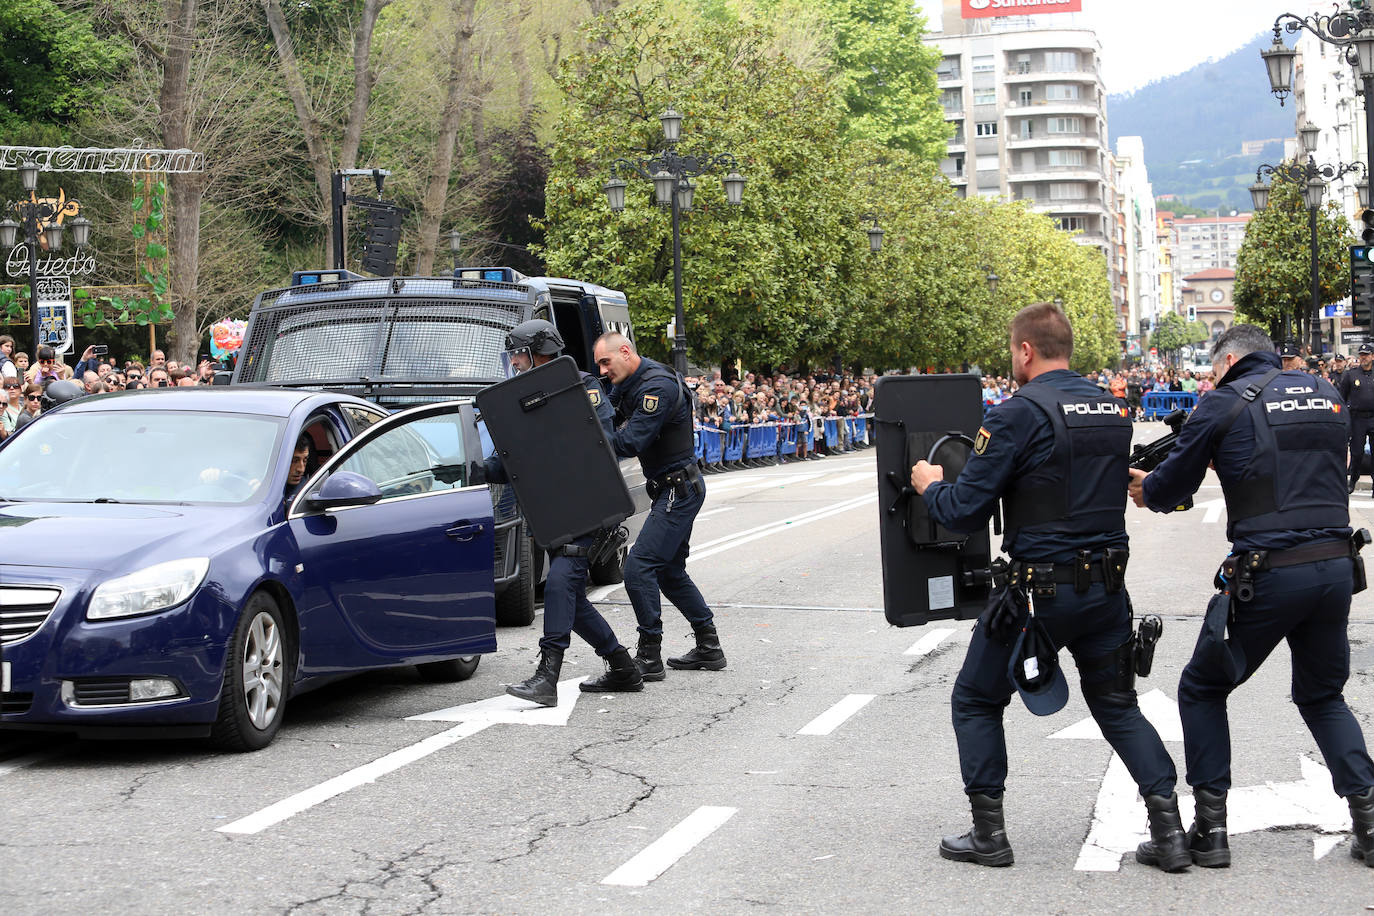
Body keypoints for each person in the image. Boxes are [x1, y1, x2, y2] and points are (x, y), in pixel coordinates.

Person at [910, 302, 1185, 872]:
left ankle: (989, 834)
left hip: (1039, 595)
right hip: (1107, 590)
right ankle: (1170, 831)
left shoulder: (1015, 414)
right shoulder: (1112, 408)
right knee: (1116, 705)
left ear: (1026, 350)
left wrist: (930, 485)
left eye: (1012, 350)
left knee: (976, 699)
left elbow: (964, 510)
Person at [1130, 323, 1374, 869]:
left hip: (1269, 573)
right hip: (1336, 568)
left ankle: (1210, 832)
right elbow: (1315, 467)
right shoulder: (1327, 392)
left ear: (1231, 358)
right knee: (1321, 696)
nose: (1214, 377)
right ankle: (1371, 821)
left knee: (1201, 686)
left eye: (1216, 369)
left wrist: (1143, 487)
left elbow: (1168, 489)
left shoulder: (1222, 404)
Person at [491, 320, 643, 706]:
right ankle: (622, 666)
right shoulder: (518, 397)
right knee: (570, 598)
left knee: (560, 584)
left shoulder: (581, 386)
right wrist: (469, 467)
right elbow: (508, 460)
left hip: (587, 505)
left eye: (519, 354)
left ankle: (548, 676)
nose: (516, 363)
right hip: (553, 510)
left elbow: (603, 443)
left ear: (538, 350)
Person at [592, 331, 724, 679]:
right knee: (668, 570)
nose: (604, 371)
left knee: (638, 567)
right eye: (599, 366)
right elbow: (610, 411)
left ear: (625, 351)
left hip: (678, 489)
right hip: (671, 488)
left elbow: (629, 440)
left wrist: (593, 432)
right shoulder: (631, 382)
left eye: (606, 362)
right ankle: (709, 646)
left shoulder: (657, 387)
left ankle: (649, 654)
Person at [1339, 342, 1374, 494]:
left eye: (1366, 355)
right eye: (1361, 355)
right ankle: (1352, 480)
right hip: (1358, 418)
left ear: (1372, 356)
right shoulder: (1351, 374)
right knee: (1357, 453)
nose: (1363, 358)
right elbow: (1342, 396)